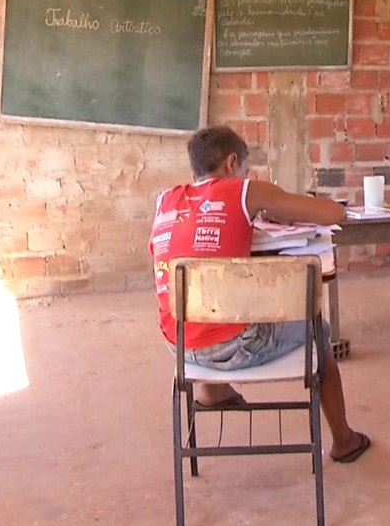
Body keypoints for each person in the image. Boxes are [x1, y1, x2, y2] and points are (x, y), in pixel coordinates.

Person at [148, 125, 371, 463]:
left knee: (214, 306)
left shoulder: (166, 199)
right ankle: (344, 440)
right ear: (232, 162)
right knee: (318, 331)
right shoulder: (244, 191)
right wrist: (284, 208)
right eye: (244, 169)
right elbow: (332, 214)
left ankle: (213, 389)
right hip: (237, 343)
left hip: (178, 343)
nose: (245, 175)